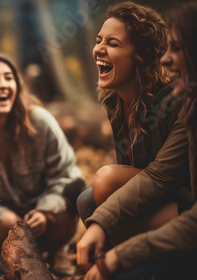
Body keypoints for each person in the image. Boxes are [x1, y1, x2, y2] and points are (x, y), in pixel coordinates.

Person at [76, 1, 197, 279]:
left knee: (103, 184)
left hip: (182, 202)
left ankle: (150, 265)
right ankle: (137, 266)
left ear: (141, 55)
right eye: (98, 41)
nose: (99, 49)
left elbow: (160, 177)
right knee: (86, 201)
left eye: (113, 43)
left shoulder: (175, 102)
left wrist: (103, 225)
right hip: (157, 198)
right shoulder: (116, 102)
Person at [0, 51, 85, 276]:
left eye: (8, 77)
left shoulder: (41, 122)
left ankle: (58, 251)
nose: (3, 84)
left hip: (44, 219)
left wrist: (46, 211)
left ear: (17, 85)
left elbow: (67, 175)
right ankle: (8, 262)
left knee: (72, 196)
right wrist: (3, 218)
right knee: (6, 224)